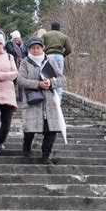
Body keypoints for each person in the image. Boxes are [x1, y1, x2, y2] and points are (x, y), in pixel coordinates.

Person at [17, 36, 66, 164]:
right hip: (33, 101)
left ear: (43, 48)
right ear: (29, 49)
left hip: (50, 102)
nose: (36, 51)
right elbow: (20, 80)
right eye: (33, 48)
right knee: (30, 130)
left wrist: (50, 83)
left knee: (51, 131)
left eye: (38, 48)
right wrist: (38, 84)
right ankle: (26, 150)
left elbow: (62, 80)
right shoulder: (25, 62)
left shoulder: (50, 61)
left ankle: (46, 155)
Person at [42, 22, 72, 98]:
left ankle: (49, 95)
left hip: (49, 56)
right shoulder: (64, 36)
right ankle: (58, 97)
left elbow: (40, 44)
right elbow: (69, 49)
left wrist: (44, 53)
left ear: (51, 27)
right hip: (59, 56)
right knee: (59, 77)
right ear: (59, 28)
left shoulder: (46, 35)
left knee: (48, 75)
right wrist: (63, 55)